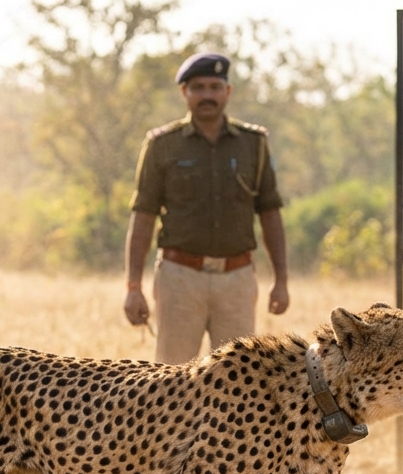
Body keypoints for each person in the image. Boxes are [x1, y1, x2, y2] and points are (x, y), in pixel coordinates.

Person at [123, 52, 289, 364]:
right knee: (170, 381)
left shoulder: (254, 144)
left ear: (228, 91)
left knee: (239, 382)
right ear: (184, 93)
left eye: (215, 87)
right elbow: (143, 216)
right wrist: (133, 286)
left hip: (237, 279)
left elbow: (270, 212)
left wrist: (281, 281)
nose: (207, 95)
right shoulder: (162, 144)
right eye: (198, 87)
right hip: (179, 278)